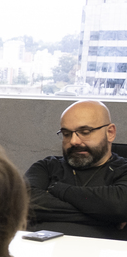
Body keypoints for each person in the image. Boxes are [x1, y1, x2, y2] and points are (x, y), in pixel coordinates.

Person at [25, 100, 127, 240]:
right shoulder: (47, 167)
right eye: (66, 134)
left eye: (85, 132)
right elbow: (24, 202)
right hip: (41, 249)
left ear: (110, 132)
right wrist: (106, 217)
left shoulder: (123, 170)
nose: (74, 141)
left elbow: (120, 206)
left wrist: (58, 189)